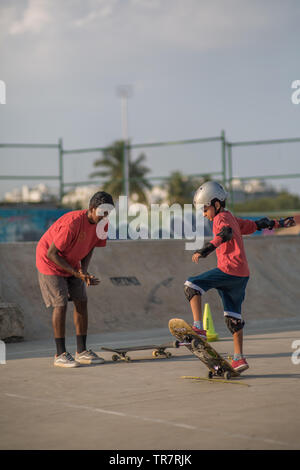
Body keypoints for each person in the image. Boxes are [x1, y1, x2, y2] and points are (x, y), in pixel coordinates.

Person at [184, 181, 295, 373]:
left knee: (192, 285)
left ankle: (198, 328)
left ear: (216, 204)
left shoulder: (221, 219)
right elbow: (258, 224)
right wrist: (280, 223)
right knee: (233, 318)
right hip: (241, 275)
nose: (204, 214)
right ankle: (238, 358)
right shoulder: (233, 218)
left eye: (205, 209)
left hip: (229, 270)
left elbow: (225, 233)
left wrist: (206, 250)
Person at [36, 191, 114, 368]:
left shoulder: (103, 224)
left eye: (109, 213)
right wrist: (76, 272)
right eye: (103, 212)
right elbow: (52, 253)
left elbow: (91, 245)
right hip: (49, 261)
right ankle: (60, 354)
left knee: (81, 300)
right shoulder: (72, 223)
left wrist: (83, 271)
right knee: (60, 303)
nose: (105, 217)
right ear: (92, 209)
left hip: (72, 262)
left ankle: (82, 351)